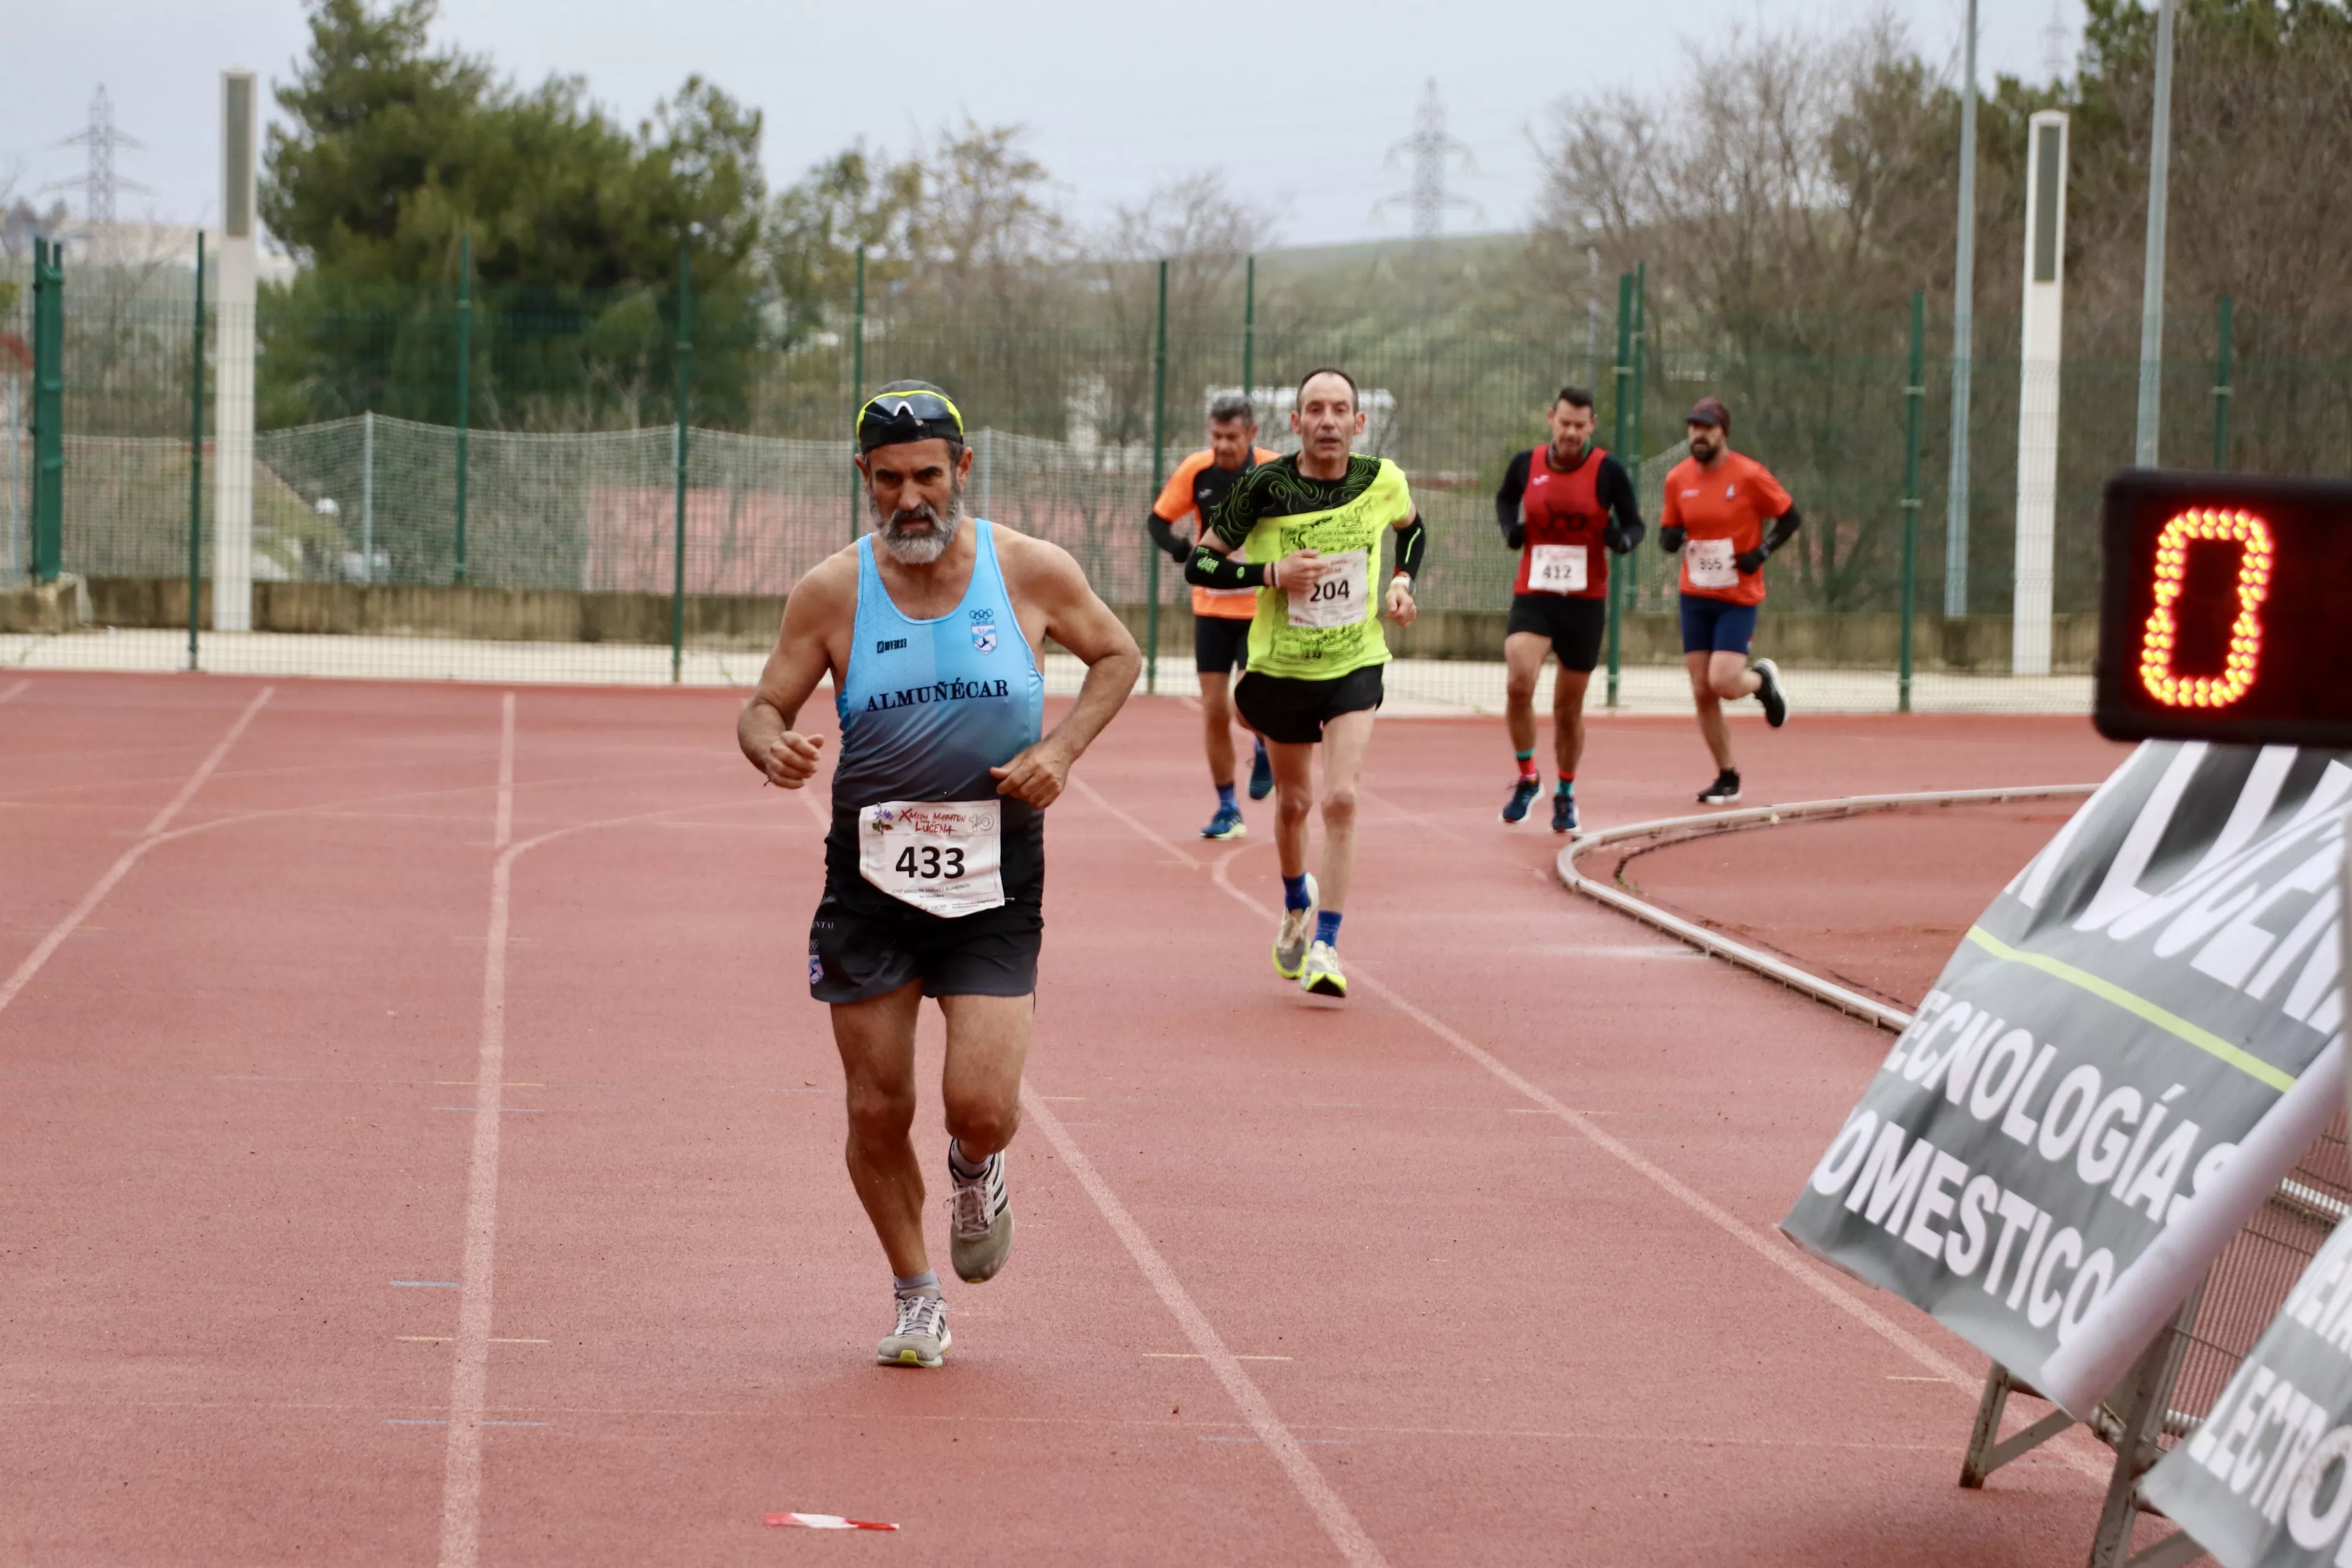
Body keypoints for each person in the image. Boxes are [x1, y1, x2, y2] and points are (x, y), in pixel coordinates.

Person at [738, 381, 1141, 1370]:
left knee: (981, 1105)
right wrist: (769, 744)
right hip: (870, 878)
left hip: (993, 869)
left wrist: (1061, 751)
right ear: (863, 482)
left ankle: (975, 1168)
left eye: (927, 475)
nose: (909, 498)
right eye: (888, 481)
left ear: (962, 470)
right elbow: (761, 704)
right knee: (876, 1107)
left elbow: (1118, 655)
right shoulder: (831, 591)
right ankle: (916, 1295)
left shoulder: (1030, 571)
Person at [1185, 367, 1425, 999]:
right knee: (1294, 804)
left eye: (1338, 409)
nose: (1326, 420)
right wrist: (1270, 573)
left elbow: (1414, 529)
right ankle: (1297, 903)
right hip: (1281, 670)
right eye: (1314, 409)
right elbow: (1200, 560)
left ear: (1357, 422)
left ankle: (1328, 945)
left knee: (1341, 799)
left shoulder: (1383, 480)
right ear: (1295, 423)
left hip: (1354, 662)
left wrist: (1403, 583)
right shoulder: (1265, 485)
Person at [1492, 386, 1644, 834]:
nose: (1572, 432)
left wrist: (1624, 540)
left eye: (1581, 425)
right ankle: (1527, 777)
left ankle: (1565, 792)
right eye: (1565, 423)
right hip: (1535, 593)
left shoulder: (1607, 471)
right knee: (1519, 682)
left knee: (1567, 709)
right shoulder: (1528, 463)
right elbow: (1505, 498)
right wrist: (1510, 529)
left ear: (1592, 425)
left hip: (1585, 602)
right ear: (1551, 419)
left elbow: (1635, 522)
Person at [1147, 393, 1281, 839]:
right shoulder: (1196, 471)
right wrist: (1184, 551)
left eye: (1232, 437)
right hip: (1211, 605)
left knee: (1247, 703)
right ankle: (1228, 808)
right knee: (1213, 711)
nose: (1223, 446)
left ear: (1252, 434)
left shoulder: (1274, 471)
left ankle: (1263, 745)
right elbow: (1158, 522)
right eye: (1216, 436)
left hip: (1258, 604)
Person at [1656, 396, 1793, 804]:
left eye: (1707, 428)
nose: (1698, 435)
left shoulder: (1750, 476)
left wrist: (1762, 552)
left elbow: (1790, 516)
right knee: (1702, 690)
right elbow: (1670, 528)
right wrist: (1669, 539)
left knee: (1724, 681)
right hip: (1695, 595)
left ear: (1723, 433)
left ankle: (1761, 682)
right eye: (1693, 427)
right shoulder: (1677, 479)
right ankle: (1727, 775)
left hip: (1738, 595)